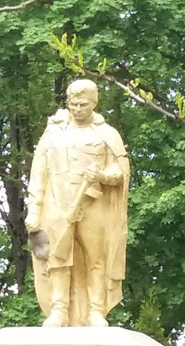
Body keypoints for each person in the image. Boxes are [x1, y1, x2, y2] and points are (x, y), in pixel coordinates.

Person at [25, 79, 131, 327]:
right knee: (58, 257)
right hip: (57, 205)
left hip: (92, 206)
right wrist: (34, 211)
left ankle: (95, 310)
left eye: (83, 104)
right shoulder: (53, 133)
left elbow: (120, 172)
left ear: (94, 102)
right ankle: (59, 309)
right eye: (73, 103)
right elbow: (38, 175)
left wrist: (103, 176)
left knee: (96, 258)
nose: (77, 108)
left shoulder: (106, 135)